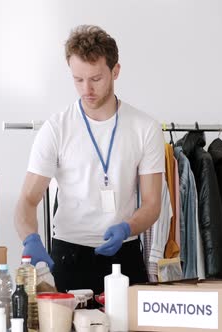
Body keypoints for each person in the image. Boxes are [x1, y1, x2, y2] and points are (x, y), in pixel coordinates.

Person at [14, 25, 165, 294]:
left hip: (124, 253)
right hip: (68, 255)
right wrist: (31, 239)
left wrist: (128, 227)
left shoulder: (145, 127)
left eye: (96, 78)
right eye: (78, 79)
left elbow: (153, 204)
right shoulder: (56, 128)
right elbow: (27, 199)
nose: (87, 89)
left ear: (115, 71)